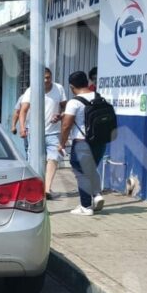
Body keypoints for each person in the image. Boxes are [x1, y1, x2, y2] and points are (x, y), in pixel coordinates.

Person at [59, 70, 106, 216]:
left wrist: (62, 143)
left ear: (72, 86)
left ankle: (86, 206)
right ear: (86, 82)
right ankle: (97, 195)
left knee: (81, 173)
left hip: (82, 143)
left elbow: (66, 125)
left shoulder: (74, 102)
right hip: (100, 141)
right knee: (91, 169)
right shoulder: (99, 97)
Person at [18, 68, 68, 198]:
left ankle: (47, 189)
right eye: (44, 78)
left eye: (48, 77)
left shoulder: (59, 88)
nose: (46, 80)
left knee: (54, 158)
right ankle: (31, 189)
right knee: (33, 160)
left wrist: (60, 115)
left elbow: (64, 106)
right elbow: (23, 110)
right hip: (34, 133)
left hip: (53, 131)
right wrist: (22, 128)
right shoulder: (31, 90)